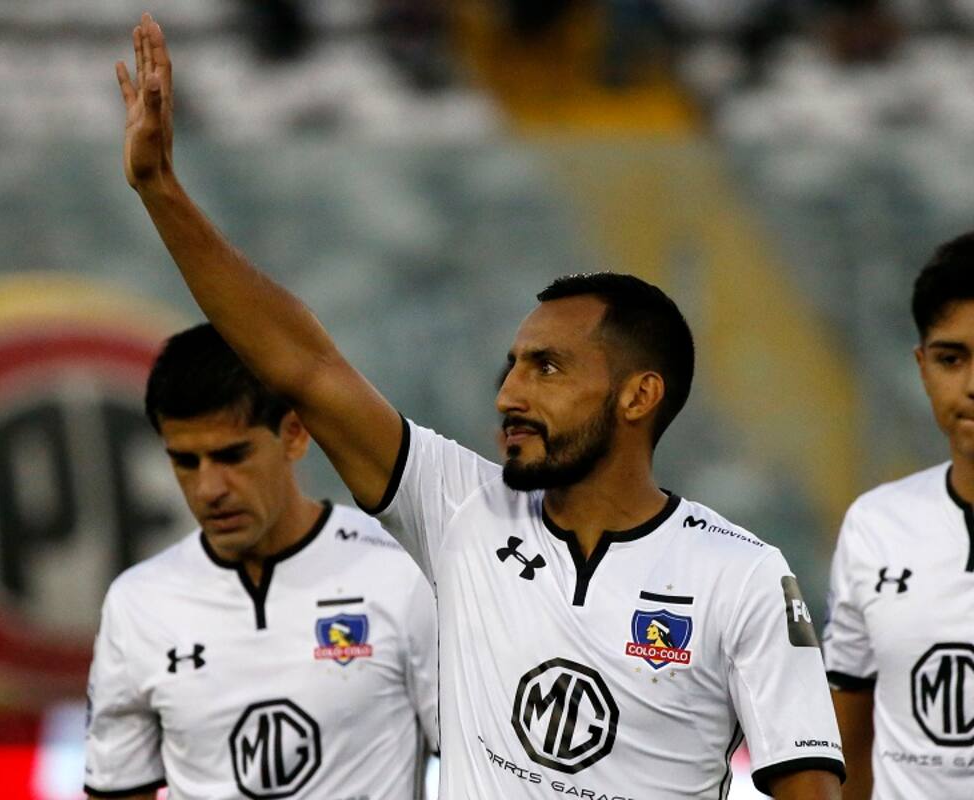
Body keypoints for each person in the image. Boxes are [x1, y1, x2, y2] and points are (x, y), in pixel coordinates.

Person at [113, 14, 845, 798]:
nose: (510, 394)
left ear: (639, 395)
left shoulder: (742, 575)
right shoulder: (461, 510)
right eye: (513, 367)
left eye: (547, 369)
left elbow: (810, 791)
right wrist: (161, 192)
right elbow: (306, 365)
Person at [83, 324, 439, 799]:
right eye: (186, 462)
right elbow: (119, 791)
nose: (210, 489)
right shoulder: (137, 604)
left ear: (293, 434)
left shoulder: (401, 568)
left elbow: (477, 762)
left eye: (233, 455)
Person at [824, 233, 974, 799]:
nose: (973, 386)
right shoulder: (876, 525)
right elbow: (847, 727)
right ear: (922, 365)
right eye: (951, 359)